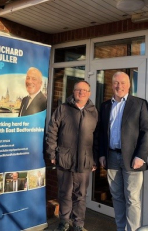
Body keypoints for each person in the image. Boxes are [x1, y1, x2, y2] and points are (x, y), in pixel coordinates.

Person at [98, 71, 148, 231]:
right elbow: (102, 132)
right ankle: (121, 228)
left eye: (122, 83)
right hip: (112, 156)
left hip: (132, 159)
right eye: (116, 82)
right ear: (112, 84)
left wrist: (141, 156)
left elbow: (147, 131)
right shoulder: (105, 105)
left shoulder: (140, 104)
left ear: (129, 85)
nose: (119, 86)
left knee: (132, 198)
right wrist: (102, 153)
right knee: (117, 196)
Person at [45, 80, 99, 231]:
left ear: (89, 93)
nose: (81, 92)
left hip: (84, 161)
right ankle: (64, 221)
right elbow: (52, 131)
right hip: (64, 159)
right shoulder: (63, 109)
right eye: (78, 90)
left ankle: (78, 224)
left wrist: (94, 159)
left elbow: (97, 137)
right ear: (73, 92)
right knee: (65, 193)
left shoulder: (94, 112)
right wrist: (52, 152)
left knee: (80, 195)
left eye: (84, 90)